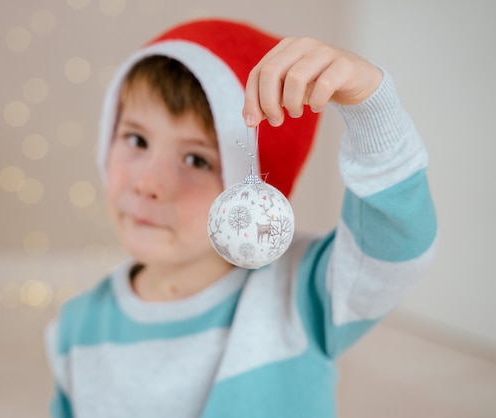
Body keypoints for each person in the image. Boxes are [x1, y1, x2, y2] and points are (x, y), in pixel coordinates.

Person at [45, 18, 437, 417]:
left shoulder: (303, 292)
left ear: (252, 194)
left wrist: (372, 105)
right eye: (136, 139)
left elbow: (397, 247)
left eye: (196, 159)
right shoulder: (75, 329)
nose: (148, 182)